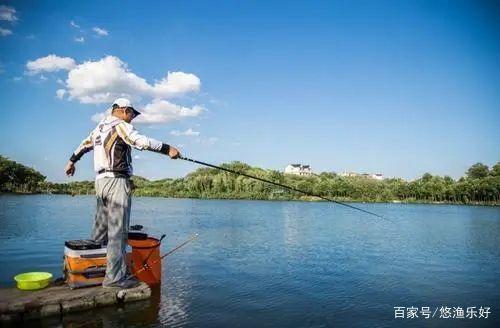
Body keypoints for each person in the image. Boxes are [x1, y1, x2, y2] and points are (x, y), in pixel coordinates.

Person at [64, 98, 180, 288]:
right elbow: (139, 141)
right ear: (124, 110)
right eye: (132, 114)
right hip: (116, 182)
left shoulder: (99, 128)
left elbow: (82, 146)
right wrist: (168, 149)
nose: (132, 119)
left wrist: (71, 162)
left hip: (100, 183)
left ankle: (97, 270)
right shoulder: (120, 125)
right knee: (118, 233)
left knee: (100, 232)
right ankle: (114, 279)